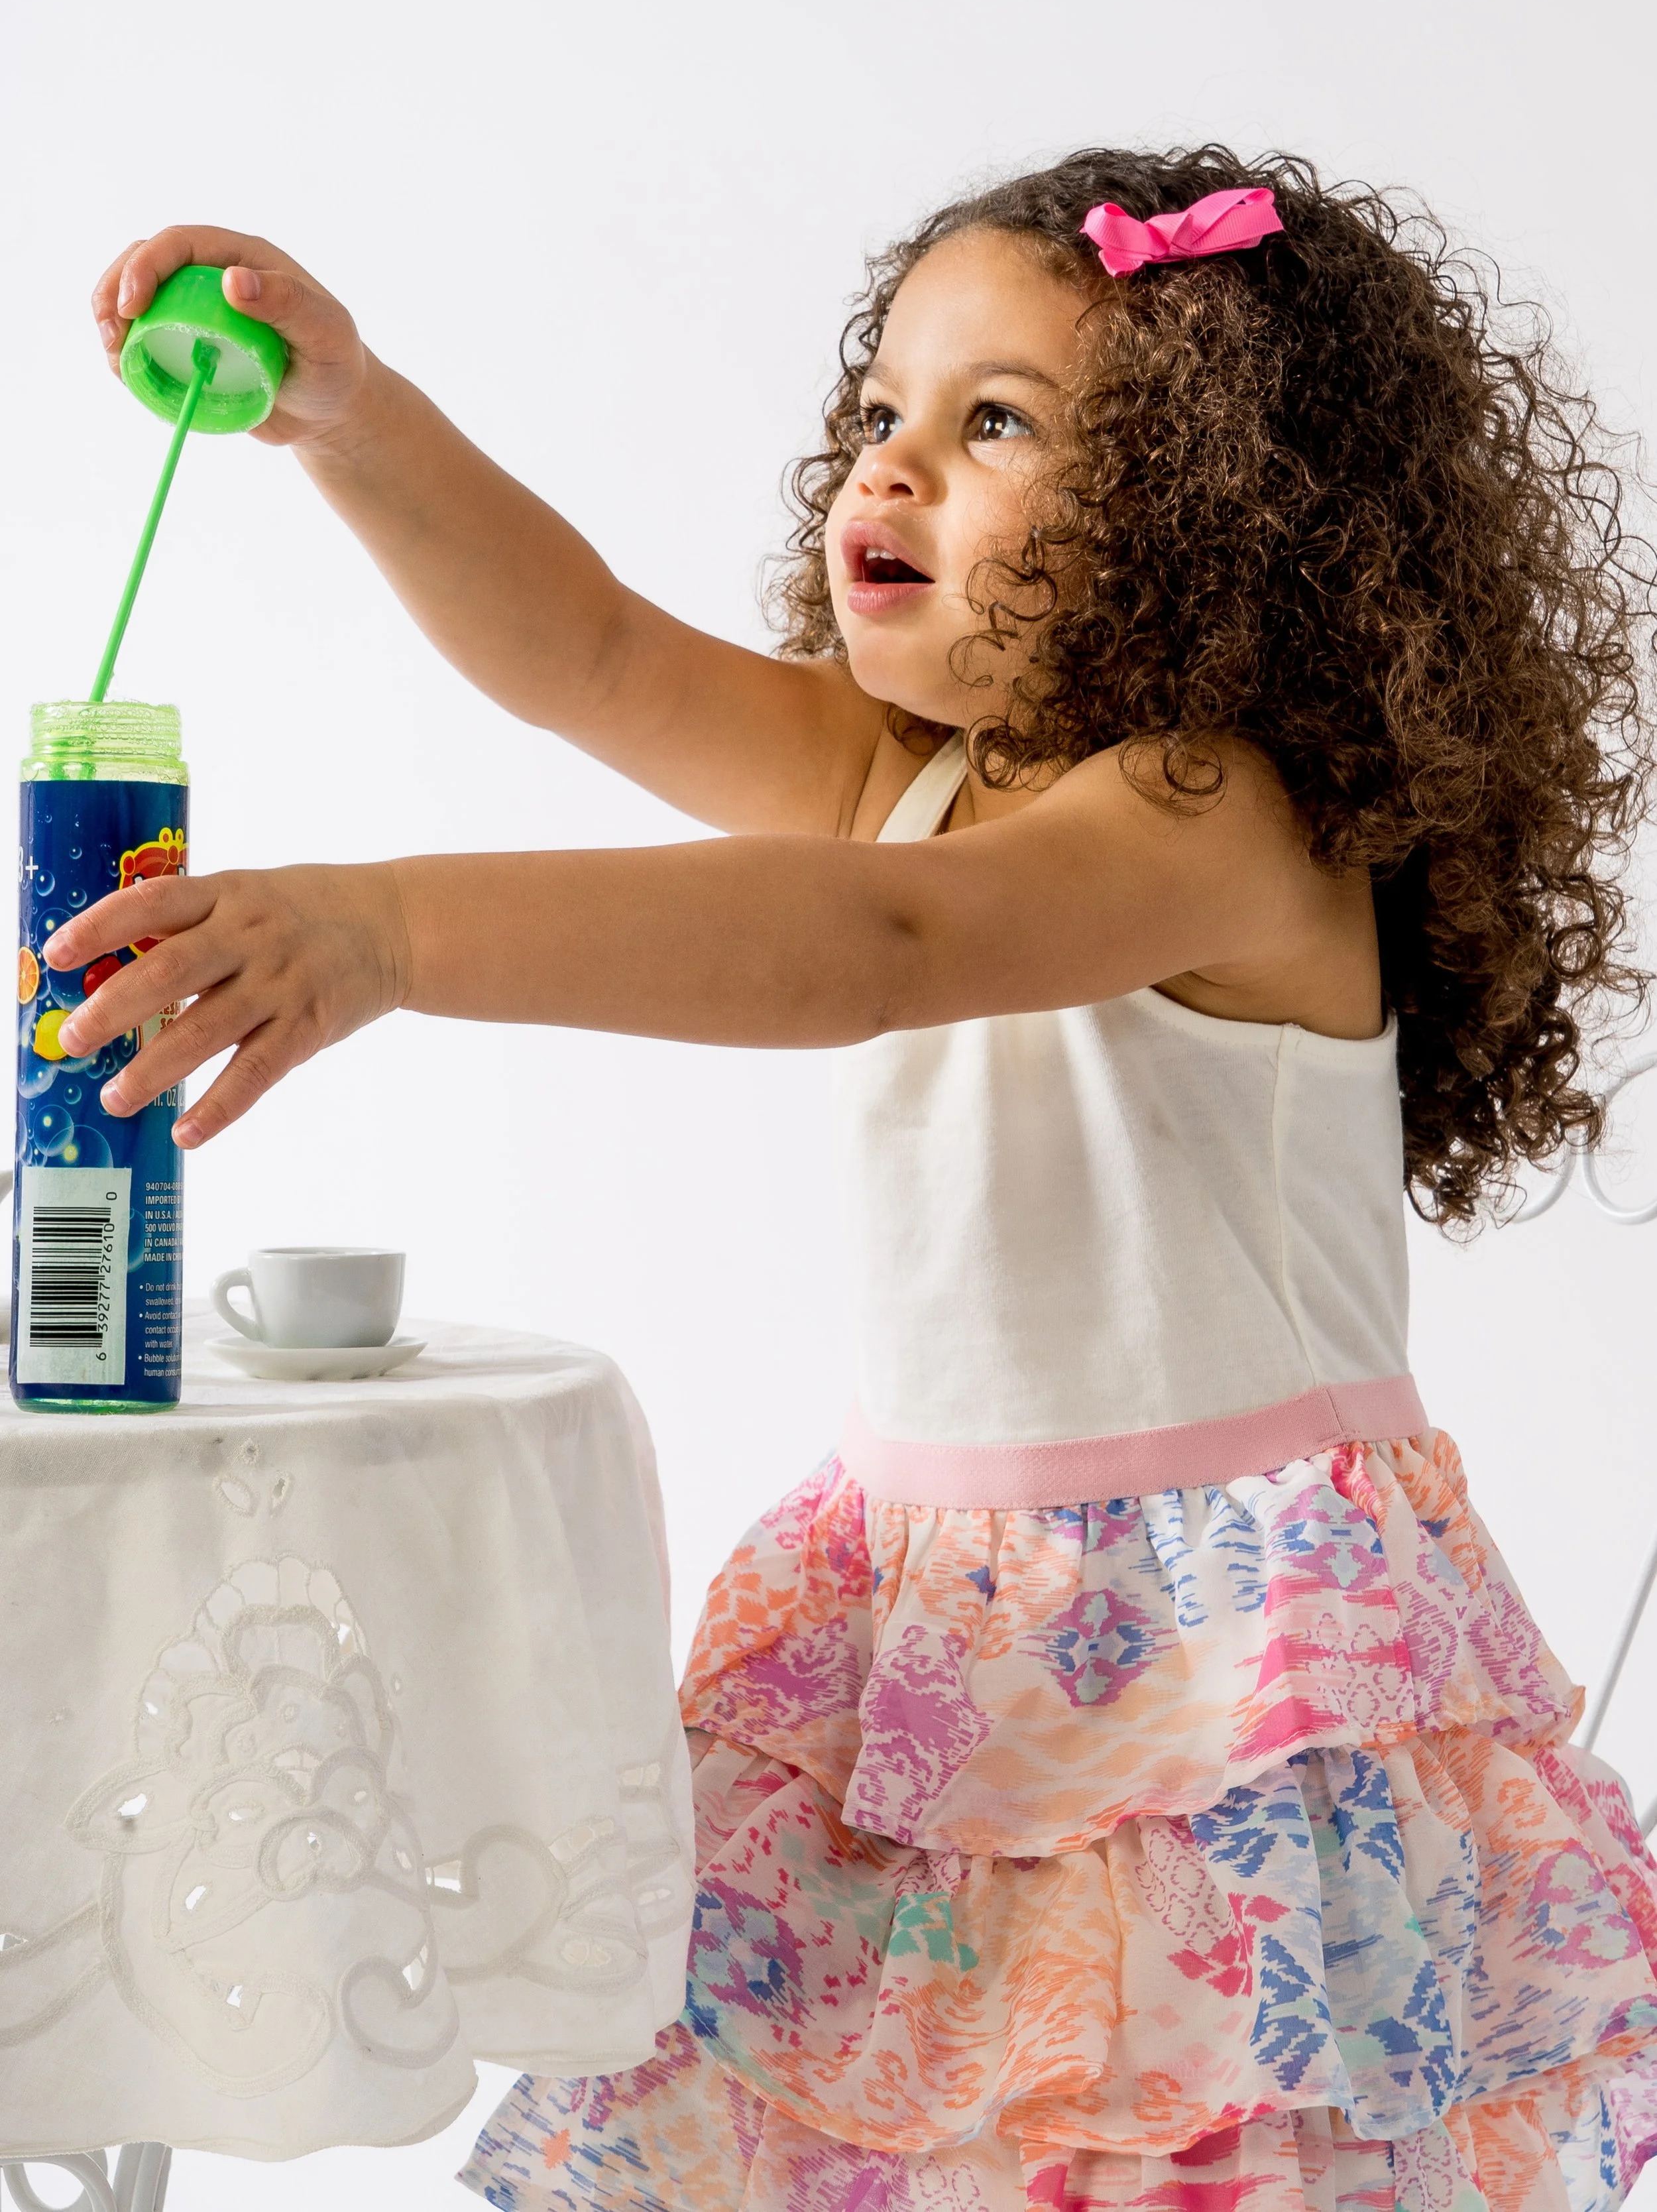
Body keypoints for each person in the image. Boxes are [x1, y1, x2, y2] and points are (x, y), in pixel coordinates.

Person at [60, 152, 1657, 2211]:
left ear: (1210, 509)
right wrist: (351, 419)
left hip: (1215, 1646)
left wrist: (386, 930)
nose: (888, 465)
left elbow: (878, 944)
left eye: (995, 422)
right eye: (884, 407)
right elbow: (589, 651)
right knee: (890, 2135)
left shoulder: (1219, 815)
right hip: (926, 1604)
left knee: (1184, 2136)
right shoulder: (909, 778)